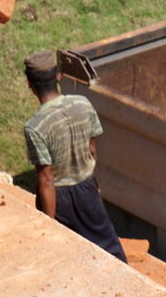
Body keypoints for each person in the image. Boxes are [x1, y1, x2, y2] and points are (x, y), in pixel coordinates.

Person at [23, 51, 127, 262]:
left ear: (29, 84)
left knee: (65, 257)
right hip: (87, 188)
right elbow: (92, 148)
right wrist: (92, 182)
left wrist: (49, 223)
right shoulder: (82, 103)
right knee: (109, 249)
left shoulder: (35, 126)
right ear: (58, 76)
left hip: (59, 199)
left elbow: (46, 178)